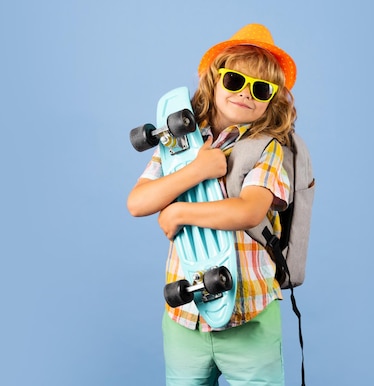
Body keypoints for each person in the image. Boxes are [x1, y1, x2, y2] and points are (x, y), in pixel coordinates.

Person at [127, 23, 297, 386]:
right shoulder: (178, 145)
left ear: (272, 101)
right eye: (236, 81)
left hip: (250, 317)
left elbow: (248, 211)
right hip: (185, 318)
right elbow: (138, 202)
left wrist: (178, 211)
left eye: (261, 89)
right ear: (215, 79)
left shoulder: (267, 149)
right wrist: (197, 170)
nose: (246, 94)